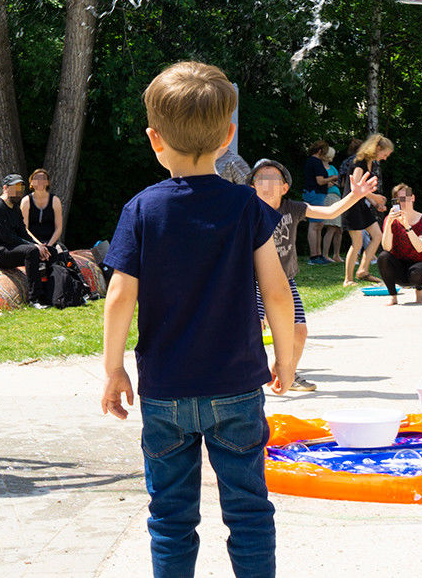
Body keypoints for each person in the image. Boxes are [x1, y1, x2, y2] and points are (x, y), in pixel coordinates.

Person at [101, 60, 295, 578]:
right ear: (228, 137)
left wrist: (114, 369)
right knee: (249, 511)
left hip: (165, 392)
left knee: (170, 517)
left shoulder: (141, 210)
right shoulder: (246, 206)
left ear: (154, 139)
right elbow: (277, 293)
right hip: (236, 387)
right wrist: (285, 358)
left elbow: (119, 297)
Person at [251, 157, 376, 392]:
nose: (266, 183)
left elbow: (329, 211)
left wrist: (355, 195)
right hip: (253, 283)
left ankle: (286, 371)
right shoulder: (247, 211)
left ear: (284, 187)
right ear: (251, 187)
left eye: (272, 178)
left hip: (285, 281)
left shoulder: (293, 208)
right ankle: (248, 379)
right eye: (260, 178)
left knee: (299, 332)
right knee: (253, 329)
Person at [340, 133, 394, 285]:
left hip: (361, 205)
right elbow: (356, 187)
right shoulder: (360, 162)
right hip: (351, 206)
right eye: (385, 154)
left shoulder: (371, 163)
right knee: (357, 243)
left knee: (377, 235)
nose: (385, 158)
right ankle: (348, 279)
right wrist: (375, 197)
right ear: (378, 148)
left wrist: (376, 203)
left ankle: (363, 270)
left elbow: (364, 190)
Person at [0, 173, 47, 294]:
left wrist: (40, 246)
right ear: (5, 188)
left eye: (21, 188)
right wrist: (34, 246)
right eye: (15, 187)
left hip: (10, 247)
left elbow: (23, 232)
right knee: (31, 251)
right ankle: (35, 297)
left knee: (51, 250)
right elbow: (7, 237)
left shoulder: (15, 208)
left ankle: (58, 291)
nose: (19, 191)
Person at [376, 184, 422, 306]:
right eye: (398, 199)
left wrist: (407, 226)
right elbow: (387, 247)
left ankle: (419, 290)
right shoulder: (390, 219)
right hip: (399, 269)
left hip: (421, 267)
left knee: (417, 271)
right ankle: (393, 297)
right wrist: (389, 224)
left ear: (412, 198)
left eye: (405, 198)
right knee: (383, 257)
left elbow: (419, 247)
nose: (402, 202)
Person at [302, 141, 337, 265]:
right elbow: (320, 181)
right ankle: (314, 256)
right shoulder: (316, 162)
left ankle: (318, 254)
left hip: (315, 194)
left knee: (319, 225)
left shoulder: (312, 161)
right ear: (320, 151)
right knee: (314, 225)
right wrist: (333, 178)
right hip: (315, 194)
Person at [23, 168, 66, 252]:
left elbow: (59, 228)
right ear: (31, 182)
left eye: (43, 179)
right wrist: (39, 245)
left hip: (51, 242)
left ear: (47, 182)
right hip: (31, 243)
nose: (40, 181)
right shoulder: (26, 201)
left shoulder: (55, 200)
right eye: (36, 179)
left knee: (63, 256)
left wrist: (48, 246)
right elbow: (25, 228)